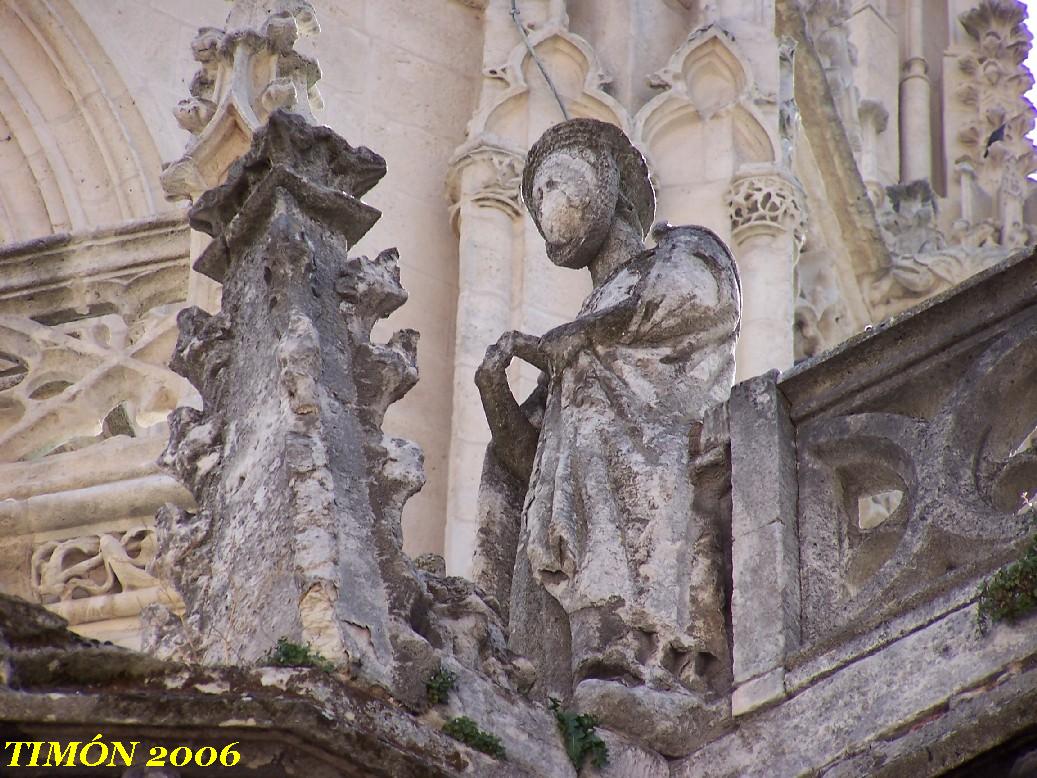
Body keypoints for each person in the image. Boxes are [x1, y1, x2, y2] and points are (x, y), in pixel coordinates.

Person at [474, 118, 741, 753]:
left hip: (667, 445)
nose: (549, 209)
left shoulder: (680, 250)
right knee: (558, 434)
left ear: (609, 185)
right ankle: (541, 659)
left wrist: (580, 342)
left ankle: (630, 647)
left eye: (559, 185)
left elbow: (699, 297)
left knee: (591, 396)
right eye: (536, 201)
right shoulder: (581, 336)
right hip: (596, 440)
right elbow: (532, 458)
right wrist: (495, 393)